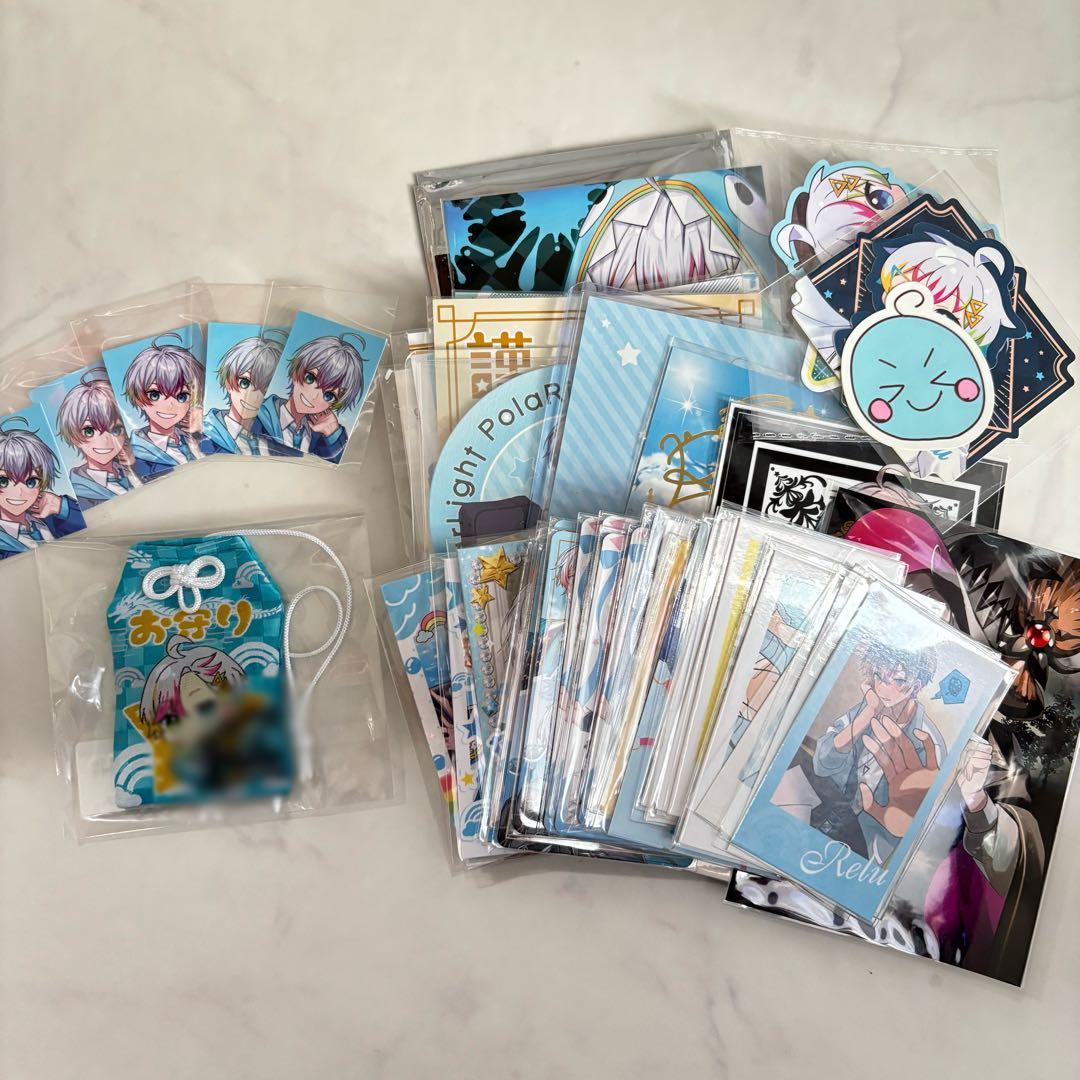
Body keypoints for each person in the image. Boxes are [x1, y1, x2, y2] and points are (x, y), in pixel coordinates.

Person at [810, 640, 945, 864]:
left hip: (868, 849)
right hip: (825, 819)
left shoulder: (927, 742)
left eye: (898, 680)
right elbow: (821, 764)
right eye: (879, 676)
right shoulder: (864, 710)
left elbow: (923, 831)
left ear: (916, 686)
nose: (883, 687)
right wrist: (867, 715)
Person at [257, 335, 364, 464]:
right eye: (310, 378)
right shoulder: (258, 418)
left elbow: (340, 465)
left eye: (328, 395)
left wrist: (333, 434)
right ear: (296, 371)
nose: (313, 396)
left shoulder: (317, 436)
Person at [122, 334, 204, 479]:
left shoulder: (192, 435)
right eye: (155, 395)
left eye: (181, 396)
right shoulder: (136, 455)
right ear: (138, 398)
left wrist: (202, 426)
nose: (170, 405)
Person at [201, 332, 295, 457]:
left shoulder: (274, 434)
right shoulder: (207, 435)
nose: (253, 397)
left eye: (265, 388)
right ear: (228, 382)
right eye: (244, 383)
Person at [56, 369, 140, 506]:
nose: (105, 441)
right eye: (89, 431)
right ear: (73, 436)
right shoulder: (79, 493)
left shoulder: (129, 467)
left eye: (115, 430)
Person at [0, 423, 85, 556]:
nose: (20, 492)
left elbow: (88, 527)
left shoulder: (48, 519)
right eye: (3, 481)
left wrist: (60, 506)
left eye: (30, 482)